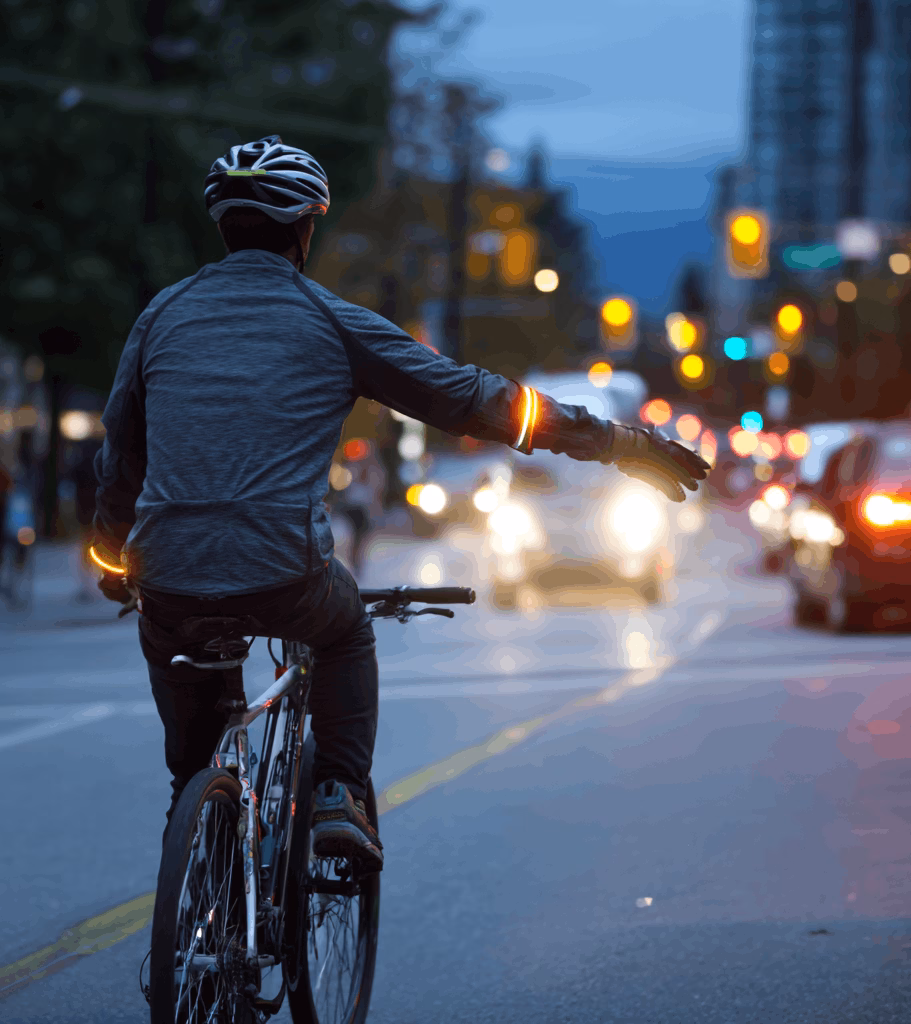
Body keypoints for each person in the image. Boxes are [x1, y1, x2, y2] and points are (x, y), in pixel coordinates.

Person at [89, 135, 710, 873]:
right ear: (305, 230)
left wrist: (112, 558)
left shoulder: (160, 316)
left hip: (170, 576)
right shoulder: (332, 320)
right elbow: (481, 403)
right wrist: (616, 442)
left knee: (190, 766)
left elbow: (121, 452)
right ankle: (339, 797)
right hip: (285, 574)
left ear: (223, 227)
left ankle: (197, 884)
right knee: (345, 631)